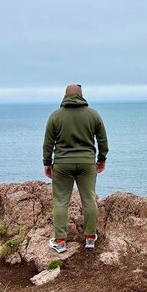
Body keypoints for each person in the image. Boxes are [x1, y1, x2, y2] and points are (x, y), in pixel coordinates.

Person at [43, 84, 108, 253]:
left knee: (61, 201)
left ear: (65, 95)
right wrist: (101, 159)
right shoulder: (93, 115)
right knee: (89, 199)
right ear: (81, 95)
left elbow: (48, 143)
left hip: (63, 164)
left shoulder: (55, 116)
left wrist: (47, 163)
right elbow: (102, 140)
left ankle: (60, 241)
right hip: (87, 163)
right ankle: (90, 238)